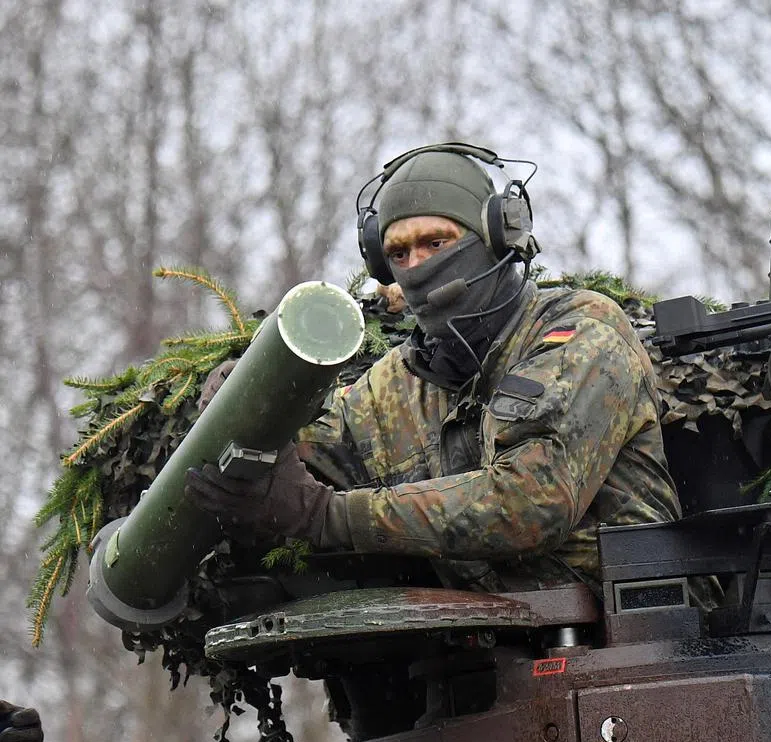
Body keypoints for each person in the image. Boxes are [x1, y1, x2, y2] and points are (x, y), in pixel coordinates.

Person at [185, 142, 680, 594]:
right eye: (399, 253)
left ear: (496, 236)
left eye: (435, 243)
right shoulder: (398, 384)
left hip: (638, 636)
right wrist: (248, 401)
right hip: (498, 643)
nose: (417, 266)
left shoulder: (581, 332)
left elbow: (531, 501)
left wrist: (327, 517)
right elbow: (316, 442)